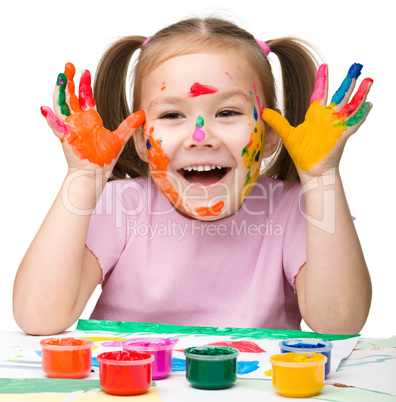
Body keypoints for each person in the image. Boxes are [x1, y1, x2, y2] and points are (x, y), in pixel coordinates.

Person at [13, 17, 372, 336]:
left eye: (228, 112)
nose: (201, 136)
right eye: (171, 115)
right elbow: (38, 317)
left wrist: (321, 177)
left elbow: (339, 323)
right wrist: (83, 177)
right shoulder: (119, 207)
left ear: (270, 134)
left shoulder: (296, 209)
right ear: (139, 140)